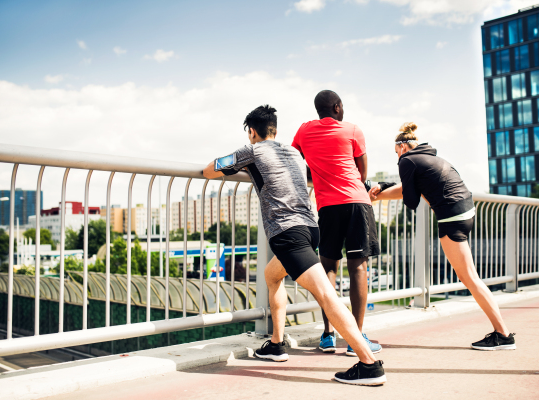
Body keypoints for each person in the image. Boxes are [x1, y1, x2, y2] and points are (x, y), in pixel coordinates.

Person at [203, 105, 386, 385]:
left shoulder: (250, 150)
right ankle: (276, 344)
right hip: (310, 228)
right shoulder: (294, 153)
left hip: (288, 234)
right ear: (274, 129)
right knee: (270, 275)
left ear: (252, 131)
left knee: (326, 295)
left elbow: (211, 169)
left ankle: (368, 364)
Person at [369, 122, 516, 351]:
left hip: (450, 217)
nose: (396, 158)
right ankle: (502, 333)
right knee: (471, 276)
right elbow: (410, 188)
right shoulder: (428, 157)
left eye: (396, 152)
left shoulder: (407, 161)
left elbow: (410, 200)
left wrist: (379, 190)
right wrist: (382, 192)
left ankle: (503, 334)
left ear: (403, 146)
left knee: (469, 278)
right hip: (465, 211)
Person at [291, 90, 382, 356]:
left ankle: (328, 335)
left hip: (328, 206)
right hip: (357, 203)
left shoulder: (304, 131)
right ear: (338, 107)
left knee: (328, 268)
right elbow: (362, 171)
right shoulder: (353, 130)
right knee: (358, 269)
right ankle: (358, 339)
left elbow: (295, 161)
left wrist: (319, 171)